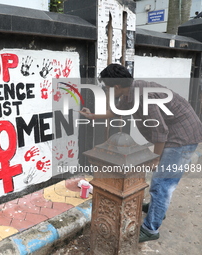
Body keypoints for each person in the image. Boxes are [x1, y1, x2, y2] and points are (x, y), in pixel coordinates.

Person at [80, 63, 202, 243]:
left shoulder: (142, 95)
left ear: (116, 86)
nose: (107, 91)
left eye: (107, 88)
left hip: (182, 137)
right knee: (160, 182)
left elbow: (160, 132)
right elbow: (115, 112)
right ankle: (156, 209)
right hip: (174, 132)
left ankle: (151, 229)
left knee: (162, 183)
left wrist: (155, 159)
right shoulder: (130, 92)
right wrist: (92, 116)